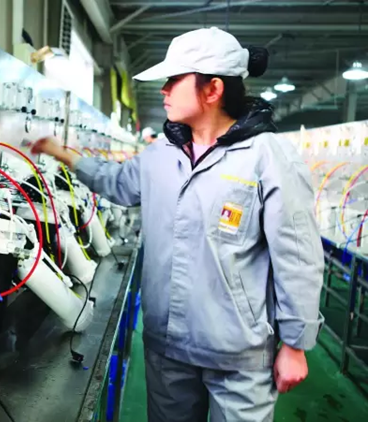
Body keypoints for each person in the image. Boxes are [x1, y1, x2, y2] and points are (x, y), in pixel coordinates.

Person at [31, 27, 324, 422]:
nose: (164, 90)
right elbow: (118, 183)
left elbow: (298, 254)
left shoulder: (267, 156)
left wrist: (295, 343)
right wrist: (64, 155)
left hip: (238, 353)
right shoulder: (162, 154)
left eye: (174, 79)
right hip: (167, 346)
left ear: (213, 89)